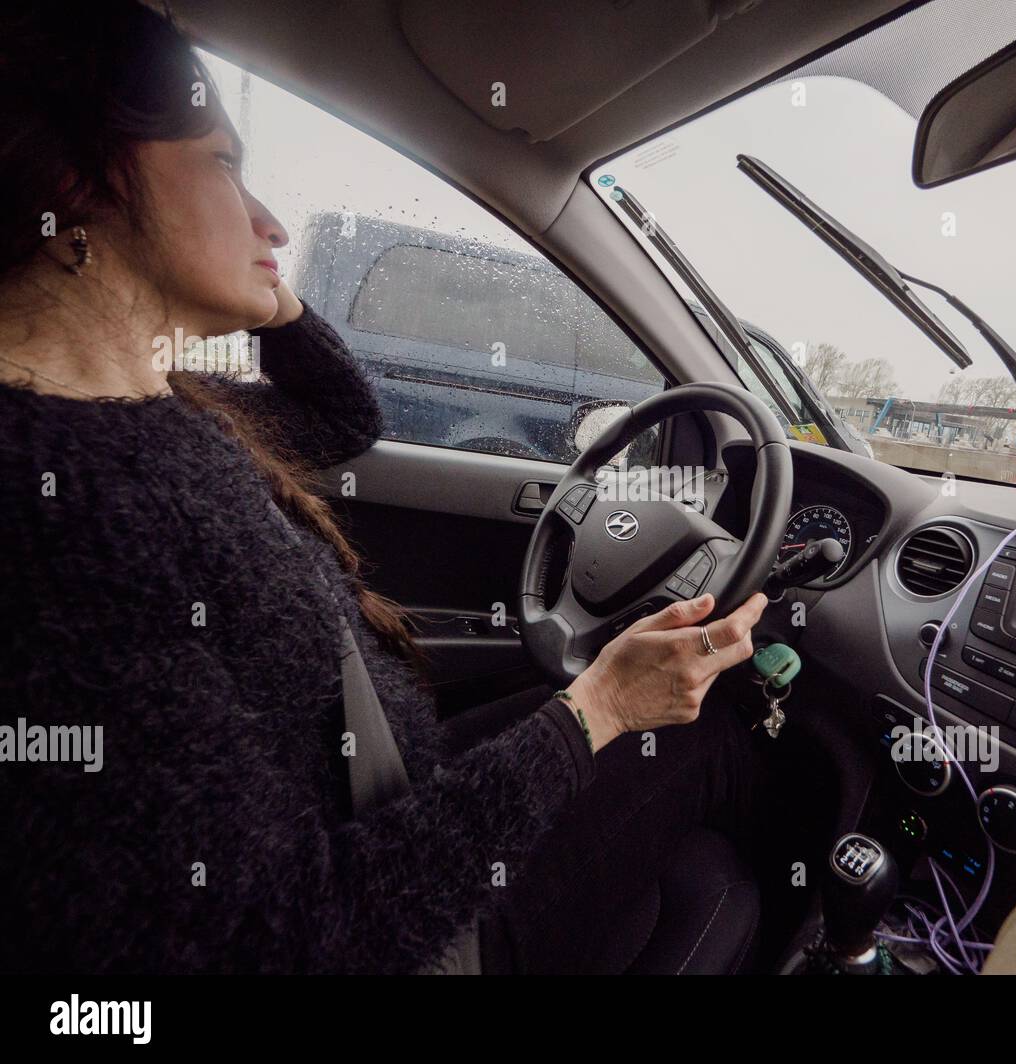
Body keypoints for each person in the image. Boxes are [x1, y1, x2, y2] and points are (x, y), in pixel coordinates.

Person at [0, 0, 768, 974]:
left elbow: (342, 417)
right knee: (714, 737)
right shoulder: (61, 510)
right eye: (225, 166)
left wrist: (269, 292)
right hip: (410, 922)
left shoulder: (153, 410)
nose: (271, 219)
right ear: (81, 179)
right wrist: (604, 710)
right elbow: (278, 940)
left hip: (385, 795)